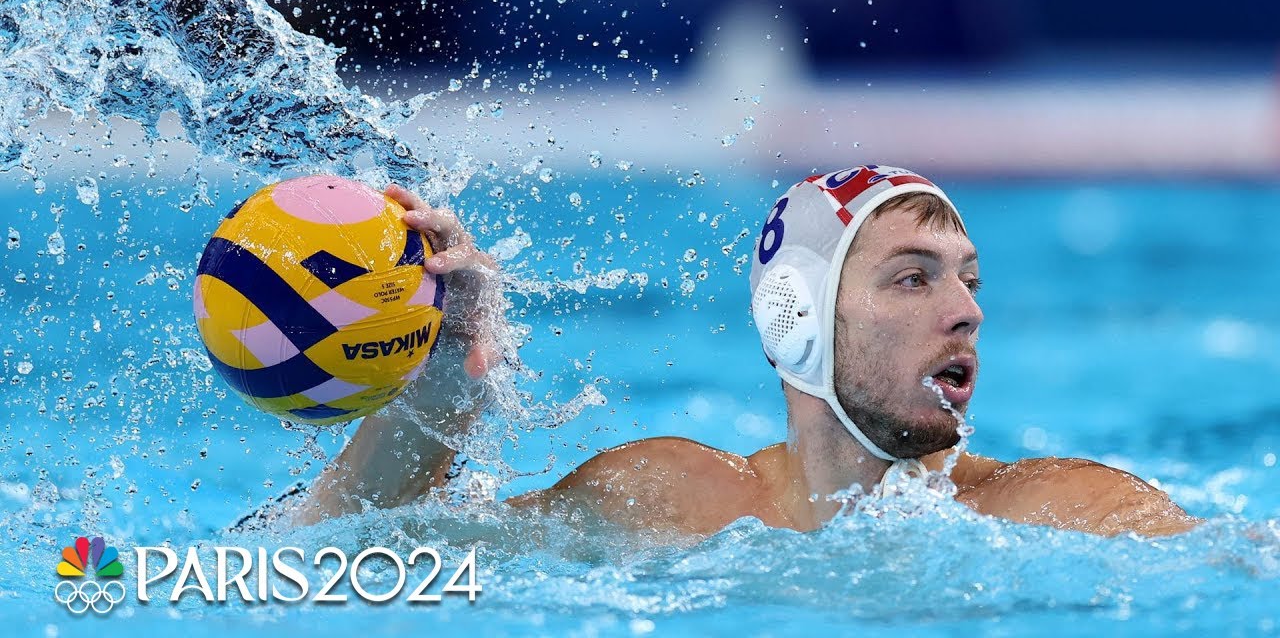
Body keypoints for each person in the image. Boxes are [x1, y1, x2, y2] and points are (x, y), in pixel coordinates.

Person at [281, 166, 1198, 538]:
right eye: (915, 278)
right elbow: (347, 559)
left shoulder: (1070, 510)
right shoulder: (670, 501)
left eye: (971, 280)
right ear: (795, 317)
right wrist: (443, 387)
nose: (966, 312)